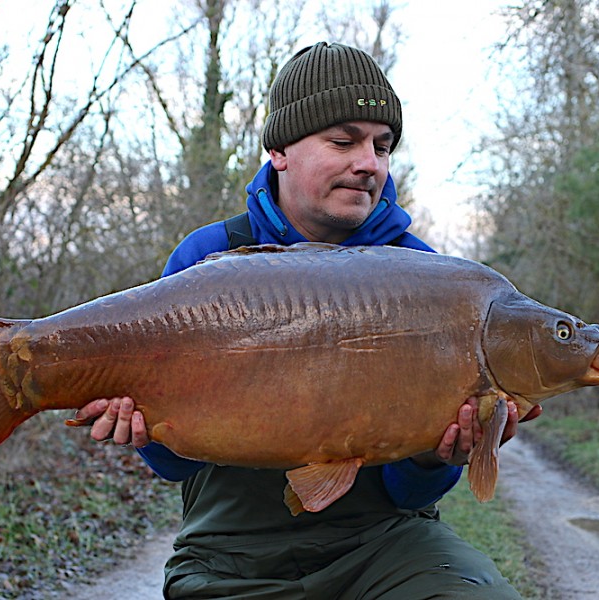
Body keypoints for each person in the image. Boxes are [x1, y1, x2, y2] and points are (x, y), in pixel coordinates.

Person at [72, 42, 542, 599]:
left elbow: (411, 494)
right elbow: (173, 466)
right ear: (280, 150)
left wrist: (438, 450)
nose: (368, 162)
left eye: (382, 146)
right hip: (230, 551)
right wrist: (139, 425)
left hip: (382, 543)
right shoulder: (209, 258)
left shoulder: (428, 277)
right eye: (343, 141)